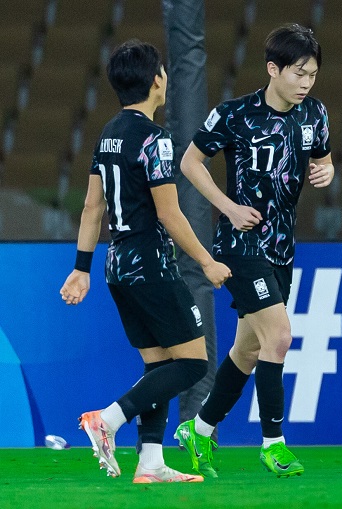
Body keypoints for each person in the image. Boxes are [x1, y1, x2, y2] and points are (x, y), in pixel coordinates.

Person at [60, 40, 232, 483]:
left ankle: (151, 462)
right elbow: (169, 213)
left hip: (117, 265)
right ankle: (109, 421)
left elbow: (91, 209)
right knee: (193, 364)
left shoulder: (108, 133)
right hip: (151, 265)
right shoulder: (155, 140)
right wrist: (207, 262)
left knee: (158, 366)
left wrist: (81, 268)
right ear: (157, 80)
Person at [174, 24, 334, 478]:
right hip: (241, 244)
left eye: (313, 75)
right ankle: (273, 444)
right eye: (299, 73)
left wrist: (327, 172)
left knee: (249, 349)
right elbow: (189, 162)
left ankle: (199, 429)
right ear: (273, 69)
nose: (306, 83)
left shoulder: (315, 115)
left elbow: (322, 158)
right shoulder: (235, 114)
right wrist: (228, 207)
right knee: (279, 336)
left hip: (283, 247)